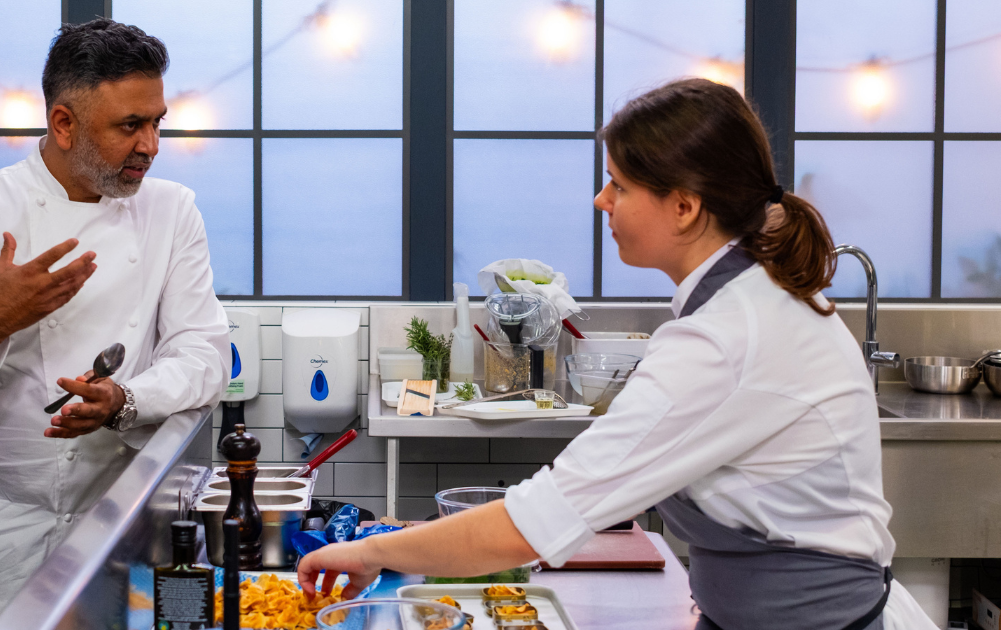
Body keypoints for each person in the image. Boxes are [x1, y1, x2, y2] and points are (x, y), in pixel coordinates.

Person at [297, 79, 936, 630]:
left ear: (684, 207)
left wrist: (375, 553)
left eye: (618, 185)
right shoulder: (744, 299)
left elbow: (534, 522)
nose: (602, 201)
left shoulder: (726, 338)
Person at [0, 19, 230, 630]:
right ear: (63, 123)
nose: (151, 144)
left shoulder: (172, 212)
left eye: (157, 121)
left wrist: (125, 398)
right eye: (129, 126)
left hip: (118, 537)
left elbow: (204, 354)